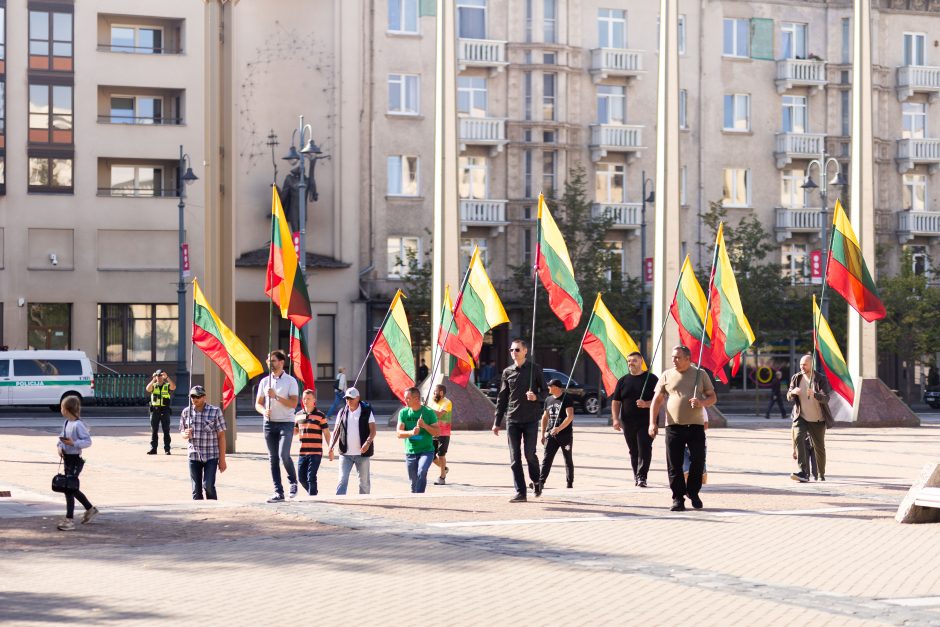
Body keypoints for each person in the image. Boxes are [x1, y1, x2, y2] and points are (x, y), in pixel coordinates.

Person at [649, 345, 717, 512]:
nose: (674, 360)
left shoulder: (700, 374)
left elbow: (712, 396)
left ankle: (693, 492)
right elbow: (657, 400)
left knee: (698, 460)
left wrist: (702, 403)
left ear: (688, 358)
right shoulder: (667, 375)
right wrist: (652, 423)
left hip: (695, 426)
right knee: (674, 464)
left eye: (678, 357)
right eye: (673, 357)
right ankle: (678, 498)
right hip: (673, 426)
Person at [493, 338, 546, 503]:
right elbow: (502, 398)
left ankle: (536, 481)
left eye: (517, 350)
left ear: (525, 351)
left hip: (531, 419)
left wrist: (536, 396)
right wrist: (497, 421)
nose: (513, 353)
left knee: (529, 454)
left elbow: (546, 391)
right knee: (514, 459)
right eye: (511, 350)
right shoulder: (507, 372)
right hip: (513, 419)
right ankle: (520, 492)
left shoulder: (535, 370)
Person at [255, 350, 300, 503]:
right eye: (268, 361)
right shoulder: (264, 382)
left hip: (286, 423)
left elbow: (293, 404)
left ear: (281, 362)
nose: (270, 363)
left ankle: (293, 482)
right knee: (272, 458)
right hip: (268, 424)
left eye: (273, 361)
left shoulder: (290, 381)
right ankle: (278, 492)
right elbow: (258, 404)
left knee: (283, 455)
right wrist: (263, 411)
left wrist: (276, 396)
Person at [610, 352, 658, 487]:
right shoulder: (623, 380)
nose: (631, 363)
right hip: (628, 422)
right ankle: (636, 476)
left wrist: (646, 404)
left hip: (646, 421)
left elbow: (661, 399)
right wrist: (615, 419)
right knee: (633, 450)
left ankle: (642, 477)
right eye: (629, 361)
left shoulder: (652, 379)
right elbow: (616, 402)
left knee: (644, 447)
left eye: (634, 361)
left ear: (641, 361)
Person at [55, 396, 98, 531]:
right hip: (67, 458)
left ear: (68, 409)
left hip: (75, 460)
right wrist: (60, 446)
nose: (61, 410)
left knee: (69, 489)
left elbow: (87, 441)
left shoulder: (78, 425)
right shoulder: (67, 423)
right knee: (71, 487)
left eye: (62, 407)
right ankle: (90, 509)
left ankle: (69, 520)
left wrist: (73, 443)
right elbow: (61, 438)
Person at [787, 354, 832, 483]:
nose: (802, 367)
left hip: (818, 419)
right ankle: (803, 471)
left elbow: (826, 398)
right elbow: (788, 396)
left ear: (811, 365)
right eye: (801, 364)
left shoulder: (820, 379)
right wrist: (792, 392)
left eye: (805, 365)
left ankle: (821, 473)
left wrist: (815, 394)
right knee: (798, 437)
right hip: (802, 417)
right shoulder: (796, 378)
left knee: (819, 447)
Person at [180, 385, 227, 500]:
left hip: (211, 455)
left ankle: (214, 509)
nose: (195, 399)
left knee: (208, 486)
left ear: (204, 397)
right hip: (194, 455)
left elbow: (221, 436)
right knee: (196, 490)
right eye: (193, 396)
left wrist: (222, 460)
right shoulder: (186, 412)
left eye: (198, 396)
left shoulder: (215, 411)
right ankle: (198, 512)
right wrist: (185, 434)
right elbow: (182, 431)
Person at [331, 387, 376, 495]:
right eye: (347, 398)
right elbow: (336, 431)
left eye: (351, 398)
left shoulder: (366, 411)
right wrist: (331, 446)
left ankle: (365, 502)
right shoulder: (342, 412)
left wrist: (367, 443)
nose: (348, 401)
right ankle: (340, 501)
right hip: (345, 453)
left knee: (364, 482)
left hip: (362, 454)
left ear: (358, 398)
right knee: (342, 480)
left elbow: (373, 431)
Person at [396, 387, 440, 493]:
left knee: (422, 471)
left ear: (416, 399)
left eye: (408, 398)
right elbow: (399, 433)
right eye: (405, 398)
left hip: (426, 450)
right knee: (414, 480)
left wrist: (425, 425)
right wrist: (411, 433)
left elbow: (437, 432)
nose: (405, 400)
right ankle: (414, 495)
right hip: (410, 451)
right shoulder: (403, 413)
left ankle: (419, 495)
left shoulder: (429, 412)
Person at [294, 388, 333, 496]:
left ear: (314, 400)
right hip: (302, 452)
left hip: (316, 452)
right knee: (301, 478)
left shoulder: (320, 415)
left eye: (308, 399)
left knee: (311, 477)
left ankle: (312, 498)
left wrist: (331, 448)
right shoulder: (298, 415)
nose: (306, 401)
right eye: (304, 399)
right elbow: (295, 431)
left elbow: (326, 433)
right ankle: (313, 494)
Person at [538, 379, 575, 489]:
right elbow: (545, 417)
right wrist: (543, 433)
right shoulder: (548, 399)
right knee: (546, 459)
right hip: (551, 435)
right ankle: (540, 483)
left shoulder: (566, 399)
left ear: (557, 387)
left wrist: (559, 428)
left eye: (550, 386)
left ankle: (569, 483)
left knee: (567, 458)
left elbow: (570, 416)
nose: (548, 388)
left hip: (565, 435)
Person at [146, 369, 176, 455]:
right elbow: (148, 389)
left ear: (163, 376)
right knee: (154, 431)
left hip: (165, 410)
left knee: (166, 431)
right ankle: (153, 449)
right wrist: (153, 379)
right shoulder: (153, 385)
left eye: (160, 375)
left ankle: (167, 449)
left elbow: (173, 387)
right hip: (155, 411)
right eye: (157, 376)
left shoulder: (167, 385)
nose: (159, 377)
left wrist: (167, 377)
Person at [428, 384, 453, 485]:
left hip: (444, 433)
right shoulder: (433, 402)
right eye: (433, 392)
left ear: (441, 392)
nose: (434, 393)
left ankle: (442, 477)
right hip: (433, 431)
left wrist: (427, 409)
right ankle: (444, 468)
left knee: (441, 455)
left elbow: (438, 414)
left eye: (436, 392)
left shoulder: (447, 402)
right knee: (431, 456)